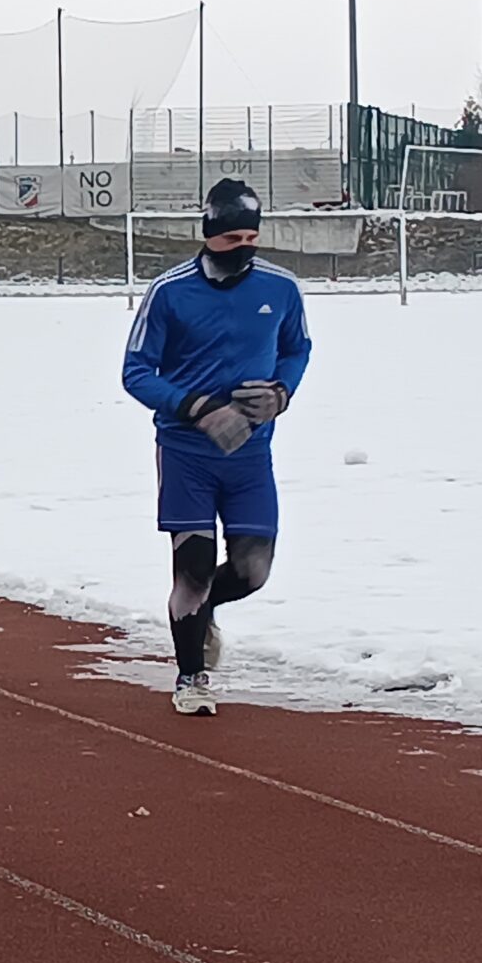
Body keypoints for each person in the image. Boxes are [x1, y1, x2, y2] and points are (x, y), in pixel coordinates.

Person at [120, 178, 312, 717]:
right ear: (208, 235)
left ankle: (201, 615)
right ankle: (192, 677)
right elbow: (136, 372)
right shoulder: (170, 291)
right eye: (231, 240)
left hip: (251, 452)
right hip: (187, 451)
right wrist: (198, 408)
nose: (243, 249)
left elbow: (297, 349)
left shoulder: (280, 288)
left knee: (253, 570)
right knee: (193, 570)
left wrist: (280, 393)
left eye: (251, 238)